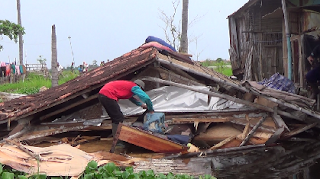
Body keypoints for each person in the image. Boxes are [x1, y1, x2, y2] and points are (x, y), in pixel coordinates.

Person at [98, 79, 154, 147]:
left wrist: (141, 105)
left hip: (102, 95)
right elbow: (146, 98)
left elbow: (131, 98)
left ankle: (116, 137)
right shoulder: (135, 87)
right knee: (119, 118)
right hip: (108, 95)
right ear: (140, 87)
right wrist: (151, 109)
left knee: (115, 118)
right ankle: (118, 141)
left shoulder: (128, 87)